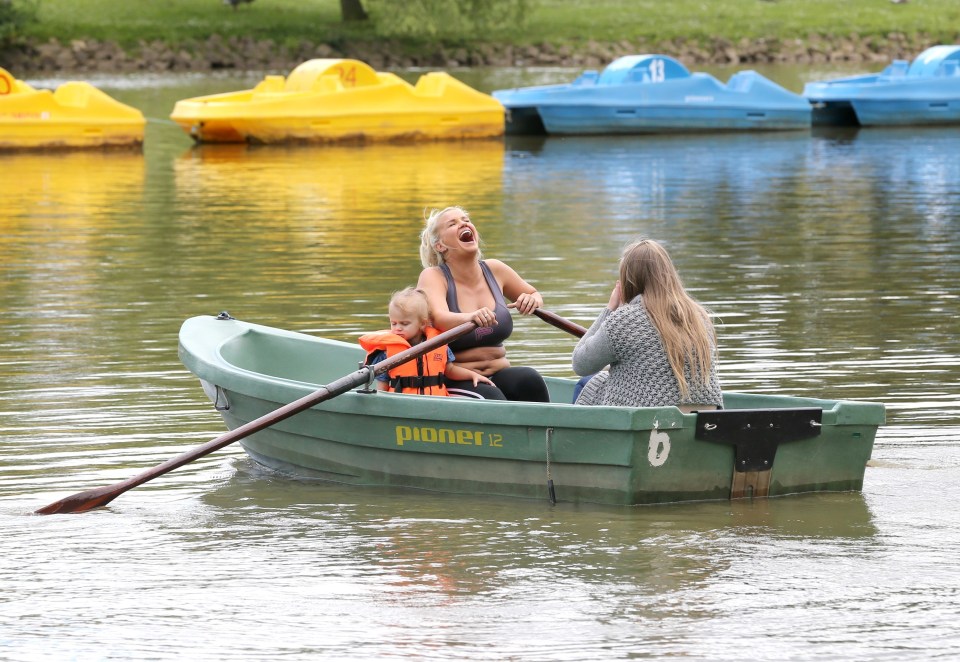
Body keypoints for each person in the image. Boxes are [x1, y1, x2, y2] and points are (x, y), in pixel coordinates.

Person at [416, 206, 550, 402]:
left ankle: (546, 432)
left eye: (466, 220)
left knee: (530, 380)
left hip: (499, 372)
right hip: (457, 379)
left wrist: (532, 299)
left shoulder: (496, 269)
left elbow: (533, 293)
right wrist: (470, 317)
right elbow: (438, 317)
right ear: (440, 246)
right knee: (493, 397)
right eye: (452, 224)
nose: (464, 223)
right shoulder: (433, 276)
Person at [572, 239, 723, 412]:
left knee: (587, 383)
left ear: (628, 280)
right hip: (706, 419)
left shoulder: (624, 319)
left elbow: (580, 364)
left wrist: (609, 309)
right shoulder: (699, 316)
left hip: (650, 421)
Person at [359, 287, 493, 396]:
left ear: (422, 323)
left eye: (404, 323)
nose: (397, 328)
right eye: (393, 323)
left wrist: (473, 375)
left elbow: (450, 370)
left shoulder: (437, 344)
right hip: (402, 407)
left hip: (436, 404)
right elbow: (382, 387)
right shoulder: (385, 353)